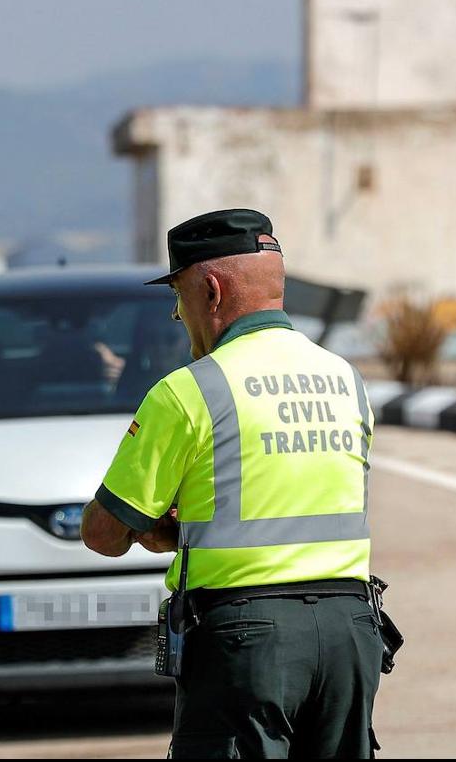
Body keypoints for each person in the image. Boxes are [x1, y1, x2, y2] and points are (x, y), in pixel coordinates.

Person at [79, 209, 383, 759]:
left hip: (248, 638)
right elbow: (293, 501)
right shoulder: (347, 380)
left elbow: (104, 534)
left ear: (211, 291)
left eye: (179, 297)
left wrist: (158, 529)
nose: (178, 313)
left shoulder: (191, 391)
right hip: (350, 631)